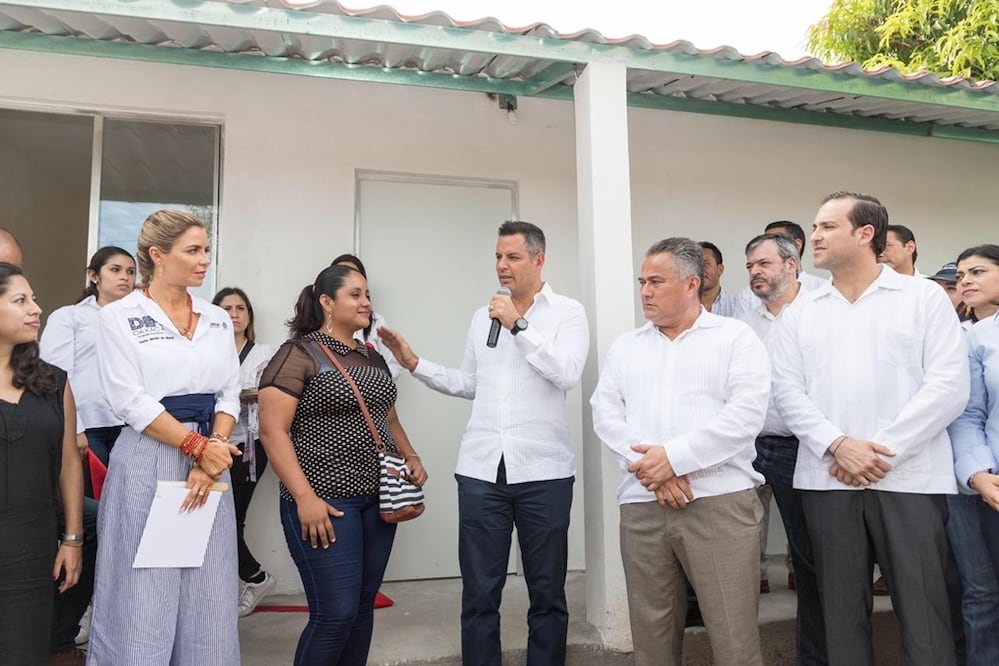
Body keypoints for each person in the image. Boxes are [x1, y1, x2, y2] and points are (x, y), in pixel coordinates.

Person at [379, 220, 589, 666]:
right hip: (481, 472)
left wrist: (519, 326)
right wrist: (415, 363)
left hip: (544, 473)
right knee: (478, 591)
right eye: (497, 256)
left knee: (547, 592)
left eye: (512, 256)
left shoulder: (567, 313)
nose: (502, 265)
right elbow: (469, 382)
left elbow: (566, 373)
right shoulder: (482, 316)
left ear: (538, 259)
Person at [772, 191, 967, 666]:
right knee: (839, 614)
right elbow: (786, 393)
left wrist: (880, 452)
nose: (812, 236)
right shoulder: (802, 311)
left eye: (826, 227)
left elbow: (949, 386)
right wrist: (838, 445)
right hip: (827, 481)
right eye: (814, 227)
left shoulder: (922, 298)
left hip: (911, 479)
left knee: (924, 613)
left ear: (865, 234)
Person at [591, 237, 769, 666]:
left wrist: (673, 459)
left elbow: (744, 416)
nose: (645, 292)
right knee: (651, 637)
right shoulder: (626, 346)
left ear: (692, 283)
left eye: (656, 281)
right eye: (642, 282)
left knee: (733, 637)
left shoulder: (735, 338)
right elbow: (605, 413)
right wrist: (654, 471)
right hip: (642, 503)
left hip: (718, 503)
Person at [88, 210, 243, 664]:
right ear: (157, 255)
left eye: (206, 250)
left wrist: (211, 450)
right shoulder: (119, 316)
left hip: (212, 461)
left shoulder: (216, 318)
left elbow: (229, 392)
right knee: (143, 584)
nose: (205, 261)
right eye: (193, 251)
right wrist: (198, 448)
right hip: (149, 455)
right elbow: (129, 400)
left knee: (210, 583)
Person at [258, 264, 426, 666]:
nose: (366, 302)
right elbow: (271, 432)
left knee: (361, 608)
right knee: (334, 613)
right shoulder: (298, 354)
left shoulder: (371, 356)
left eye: (367, 295)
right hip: (326, 503)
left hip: (378, 499)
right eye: (355, 294)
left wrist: (411, 456)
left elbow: (387, 415)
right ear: (327, 302)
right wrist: (304, 499)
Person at [739, 233, 826, 665]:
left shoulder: (821, 310)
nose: (755, 272)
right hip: (749, 448)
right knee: (735, 559)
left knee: (810, 562)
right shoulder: (744, 320)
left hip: (805, 449)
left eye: (764, 264)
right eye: (751, 265)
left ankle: (814, 656)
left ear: (792, 266)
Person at [0, 262, 83, 664]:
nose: (36, 308)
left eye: (33, 299)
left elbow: (70, 463)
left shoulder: (53, 382)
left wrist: (72, 539)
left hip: (31, 552)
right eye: (21, 300)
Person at [946, 244, 999, 666]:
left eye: (977, 271)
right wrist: (978, 474)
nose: (965, 280)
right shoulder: (975, 337)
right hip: (987, 486)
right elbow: (967, 415)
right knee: (981, 596)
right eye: (961, 274)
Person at [41, 246, 135, 478]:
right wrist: (75, 429)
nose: (125, 277)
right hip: (88, 426)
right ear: (93, 276)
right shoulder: (69, 317)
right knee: (92, 504)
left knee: (124, 503)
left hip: (129, 426)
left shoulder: (138, 321)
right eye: (115, 270)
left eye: (131, 272)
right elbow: (55, 376)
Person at [212, 287, 277, 617]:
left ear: (249, 315)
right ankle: (248, 578)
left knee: (229, 518)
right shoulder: (205, 350)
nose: (234, 314)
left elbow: (271, 396)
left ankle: (255, 577)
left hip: (250, 445)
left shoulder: (265, 352)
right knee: (215, 519)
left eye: (240, 308)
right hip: (212, 444)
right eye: (226, 308)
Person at [331, 253, 402, 380]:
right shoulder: (315, 323)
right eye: (341, 275)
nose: (349, 279)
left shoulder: (376, 321)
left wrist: (369, 381)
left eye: (354, 274)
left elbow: (394, 366)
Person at [698, 241, 737, 316]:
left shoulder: (736, 304)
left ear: (720, 269)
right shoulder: (683, 305)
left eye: (706, 264)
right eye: (696, 264)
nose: (700, 269)